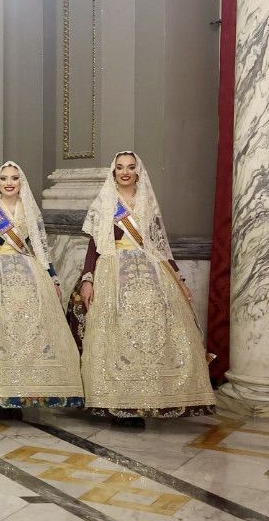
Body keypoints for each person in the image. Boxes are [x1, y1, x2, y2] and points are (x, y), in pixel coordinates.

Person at [72, 151, 214, 425]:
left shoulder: (148, 200)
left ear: (139, 171)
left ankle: (149, 399)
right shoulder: (105, 201)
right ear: (113, 172)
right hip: (113, 269)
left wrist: (179, 280)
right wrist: (88, 278)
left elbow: (161, 246)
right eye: (120, 168)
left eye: (130, 167)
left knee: (152, 332)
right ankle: (117, 404)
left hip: (151, 271)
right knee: (116, 335)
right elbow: (94, 245)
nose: (125, 172)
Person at [0, 162, 83, 417]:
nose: (9, 182)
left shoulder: (29, 210)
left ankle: (25, 393)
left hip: (28, 273)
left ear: (21, 182)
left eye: (14, 178)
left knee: (30, 333)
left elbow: (42, 248)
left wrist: (53, 279)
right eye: (4, 178)